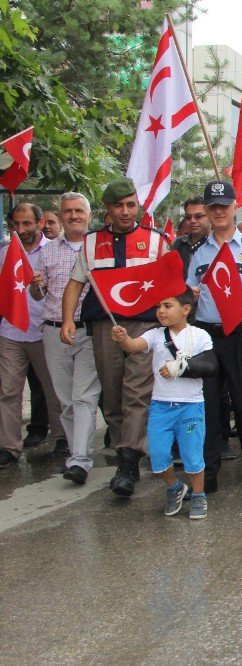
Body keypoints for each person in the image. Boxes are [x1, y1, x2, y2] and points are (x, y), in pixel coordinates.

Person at [60, 178, 171, 497]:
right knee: (112, 393)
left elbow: (168, 286)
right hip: (105, 327)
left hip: (144, 327)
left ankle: (128, 462)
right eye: (119, 206)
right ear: (108, 209)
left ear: (137, 206)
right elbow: (75, 283)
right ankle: (126, 445)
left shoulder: (156, 241)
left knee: (137, 391)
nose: (125, 212)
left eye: (131, 205)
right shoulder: (92, 242)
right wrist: (68, 319)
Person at [187, 180, 242, 490]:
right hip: (206, 335)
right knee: (207, 402)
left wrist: (238, 294)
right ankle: (209, 468)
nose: (219, 211)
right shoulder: (197, 251)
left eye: (224, 205)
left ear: (236, 208)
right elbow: (189, 293)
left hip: (240, 332)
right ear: (208, 212)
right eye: (213, 207)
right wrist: (190, 295)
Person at [110, 289, 216, 519]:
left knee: (192, 455)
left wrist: (179, 369)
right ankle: (175, 487)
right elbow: (133, 345)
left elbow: (210, 366)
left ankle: (198, 495)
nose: (161, 311)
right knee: (157, 456)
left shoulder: (200, 335)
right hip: (161, 406)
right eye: (159, 306)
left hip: (190, 405)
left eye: (167, 306)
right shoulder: (155, 335)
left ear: (186, 309)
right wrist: (123, 338)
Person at [30, 193, 101, 484]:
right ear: (60, 216)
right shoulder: (46, 252)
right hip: (52, 330)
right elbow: (37, 295)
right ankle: (78, 452)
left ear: (88, 214)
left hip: (89, 330)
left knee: (84, 395)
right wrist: (36, 287)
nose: (73, 215)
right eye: (67, 211)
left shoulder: (99, 247)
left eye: (78, 211)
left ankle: (80, 461)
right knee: (65, 399)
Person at [0, 204, 66, 470]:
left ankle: (62, 437)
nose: (21, 230)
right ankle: (9, 447)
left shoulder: (54, 250)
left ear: (40, 223)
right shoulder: (5, 252)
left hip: (43, 330)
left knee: (53, 389)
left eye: (27, 224)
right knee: (8, 391)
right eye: (16, 224)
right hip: (10, 332)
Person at [172, 196, 209, 275]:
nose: (192, 221)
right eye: (188, 217)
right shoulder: (177, 245)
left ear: (210, 216)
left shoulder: (220, 244)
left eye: (198, 216)